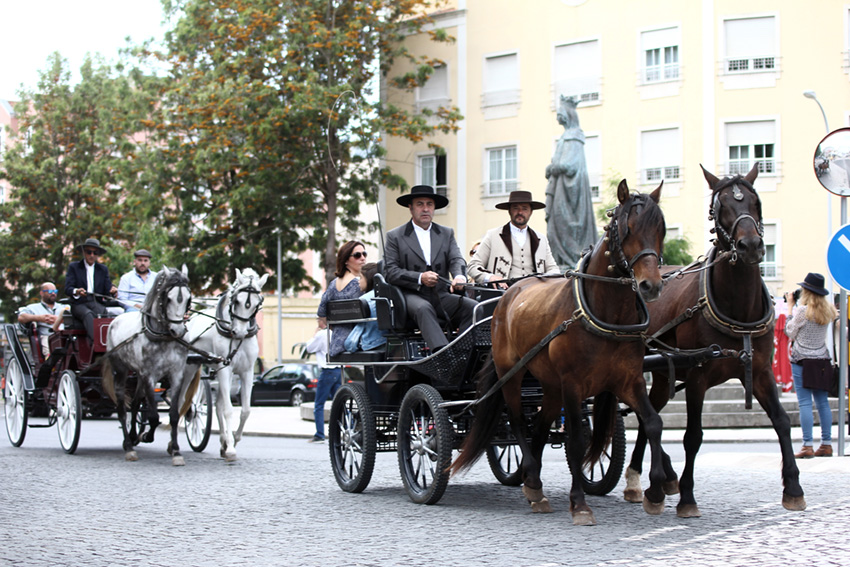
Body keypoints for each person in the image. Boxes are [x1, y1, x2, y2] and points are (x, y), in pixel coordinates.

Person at [383, 184, 476, 351]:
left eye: (429, 204)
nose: (425, 209)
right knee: (423, 308)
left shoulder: (446, 233)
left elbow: (457, 259)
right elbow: (391, 272)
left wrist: (459, 277)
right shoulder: (395, 236)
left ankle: (463, 353)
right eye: (420, 204)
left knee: (473, 308)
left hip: (441, 294)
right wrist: (420, 278)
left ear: (434, 208)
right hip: (410, 295)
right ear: (410, 208)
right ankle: (442, 356)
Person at [785, 272, 838, 458]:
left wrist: (790, 307)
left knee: (805, 403)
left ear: (806, 291)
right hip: (822, 360)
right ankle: (827, 444)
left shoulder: (802, 311)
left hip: (802, 360)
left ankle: (807, 445)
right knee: (823, 403)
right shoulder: (829, 310)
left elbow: (789, 332)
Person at [544, 95, 598, 270]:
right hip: (561, 189)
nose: (558, 116)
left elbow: (570, 165)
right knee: (554, 227)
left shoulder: (573, 136)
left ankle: (570, 261)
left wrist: (553, 168)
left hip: (569, 193)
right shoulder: (566, 136)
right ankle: (559, 261)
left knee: (561, 226)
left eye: (560, 113)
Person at [467, 190, 561, 288]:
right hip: (501, 295)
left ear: (531, 212)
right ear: (509, 210)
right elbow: (472, 266)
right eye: (516, 208)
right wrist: (490, 277)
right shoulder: (493, 235)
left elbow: (553, 268)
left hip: (534, 295)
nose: (520, 212)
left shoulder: (541, 239)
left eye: (524, 209)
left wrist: (546, 281)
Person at [316, 240, 369, 356]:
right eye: (357, 255)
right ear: (345, 260)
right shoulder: (360, 285)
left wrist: (337, 329)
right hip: (358, 343)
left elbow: (321, 314)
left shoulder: (332, 285)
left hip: (336, 344)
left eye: (364, 254)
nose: (363, 258)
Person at [64, 237, 118, 343]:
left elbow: (107, 290)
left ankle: (109, 343)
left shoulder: (102, 269)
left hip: (95, 302)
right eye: (89, 252)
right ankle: (96, 343)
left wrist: (113, 291)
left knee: (103, 314)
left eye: (95, 253)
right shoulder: (74, 267)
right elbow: (68, 288)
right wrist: (77, 291)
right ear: (84, 253)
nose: (92, 255)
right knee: (88, 314)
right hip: (79, 303)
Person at [304, 326, 339, 443]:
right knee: (340, 404)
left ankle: (320, 434)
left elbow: (309, 348)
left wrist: (314, 334)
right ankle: (347, 428)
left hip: (327, 371)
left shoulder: (321, 334)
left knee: (319, 405)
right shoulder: (335, 332)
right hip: (338, 370)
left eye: (318, 319)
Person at [343, 262, 386, 352]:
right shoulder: (390, 294)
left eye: (361, 277)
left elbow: (359, 329)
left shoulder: (364, 300)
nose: (358, 281)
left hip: (371, 344)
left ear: (369, 279)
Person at [17, 282, 64, 359]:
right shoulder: (33, 308)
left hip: (65, 335)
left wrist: (59, 319)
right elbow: (21, 317)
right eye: (49, 291)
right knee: (48, 345)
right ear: (41, 293)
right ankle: (50, 363)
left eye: (55, 291)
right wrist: (40, 318)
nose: (53, 293)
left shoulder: (64, 307)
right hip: (47, 336)